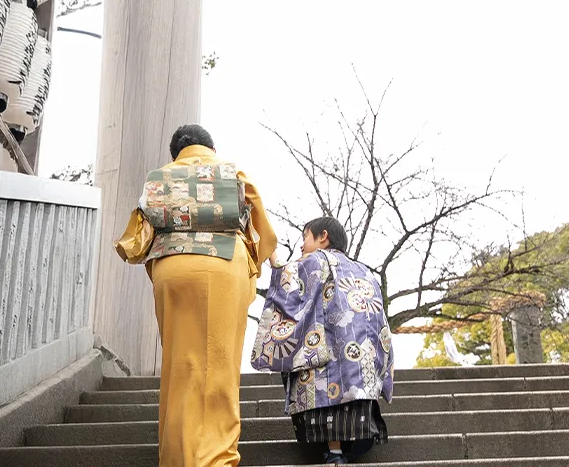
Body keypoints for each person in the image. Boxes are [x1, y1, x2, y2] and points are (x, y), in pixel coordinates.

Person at [114, 125, 277, 467]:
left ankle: (176, 458)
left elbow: (137, 235)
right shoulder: (233, 173)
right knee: (219, 366)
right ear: (211, 148)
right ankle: (215, 460)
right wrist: (259, 261)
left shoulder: (160, 177)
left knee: (180, 366)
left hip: (171, 269)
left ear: (176, 153)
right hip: (223, 267)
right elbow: (264, 232)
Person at [250, 216, 394, 465]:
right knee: (347, 394)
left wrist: (271, 254)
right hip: (361, 361)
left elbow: (289, 280)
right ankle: (346, 447)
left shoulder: (316, 261)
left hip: (328, 360)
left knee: (327, 387)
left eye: (305, 237)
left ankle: (335, 452)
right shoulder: (364, 271)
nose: (302, 247)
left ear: (322, 236)